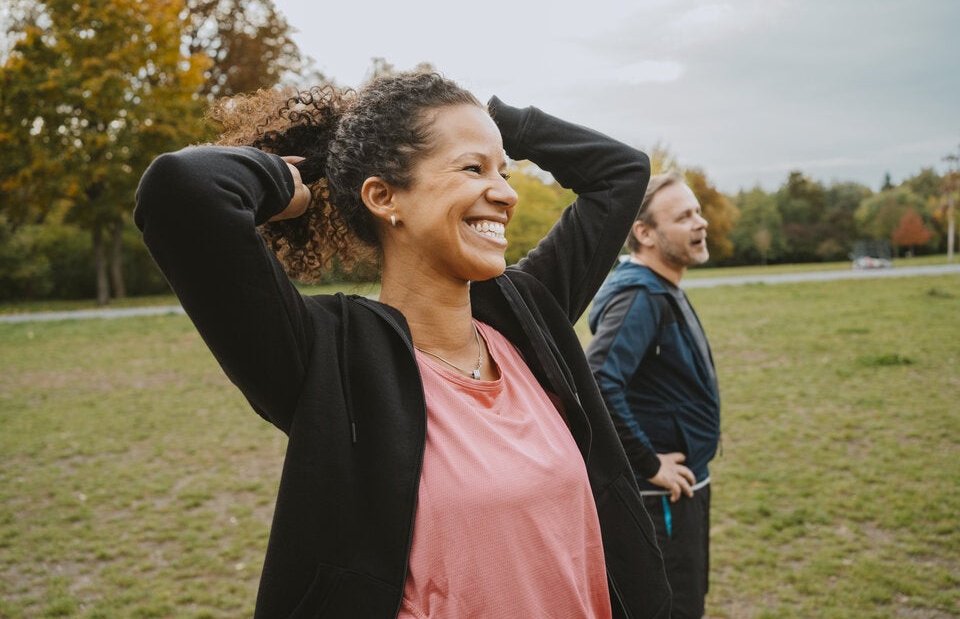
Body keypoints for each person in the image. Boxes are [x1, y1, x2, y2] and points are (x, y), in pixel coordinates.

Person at [135, 71, 671, 618]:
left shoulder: (527, 316)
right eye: (473, 168)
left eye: (504, 171)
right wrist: (300, 173)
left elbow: (621, 172)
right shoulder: (328, 359)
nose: (507, 193)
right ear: (383, 196)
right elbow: (181, 190)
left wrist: (493, 120)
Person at [585, 171, 721, 619]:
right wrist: (649, 463)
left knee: (687, 600)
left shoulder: (662, 287)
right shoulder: (641, 295)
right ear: (643, 233)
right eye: (683, 216)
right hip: (660, 493)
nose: (700, 222)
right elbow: (600, 380)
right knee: (671, 608)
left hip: (683, 486)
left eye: (697, 211)